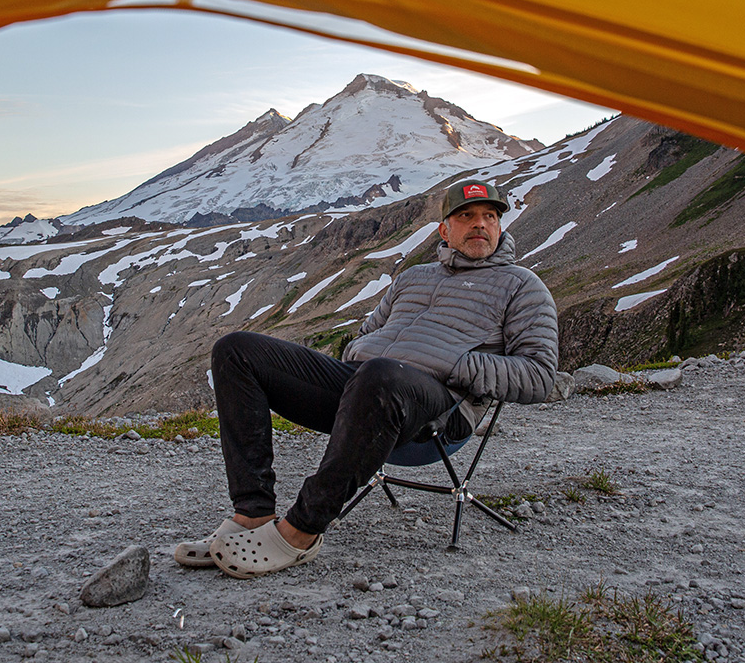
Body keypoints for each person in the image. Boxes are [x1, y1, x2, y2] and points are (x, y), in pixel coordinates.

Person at [173, 179, 559, 579]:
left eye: (490, 217)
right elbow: (365, 337)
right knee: (236, 349)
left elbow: (540, 375)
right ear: (445, 230)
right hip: (366, 394)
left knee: (380, 374)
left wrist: (457, 363)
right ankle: (252, 514)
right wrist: (360, 354)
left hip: (438, 413)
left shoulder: (522, 287)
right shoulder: (412, 278)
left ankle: (301, 531)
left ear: (500, 227)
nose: (480, 224)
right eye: (467, 216)